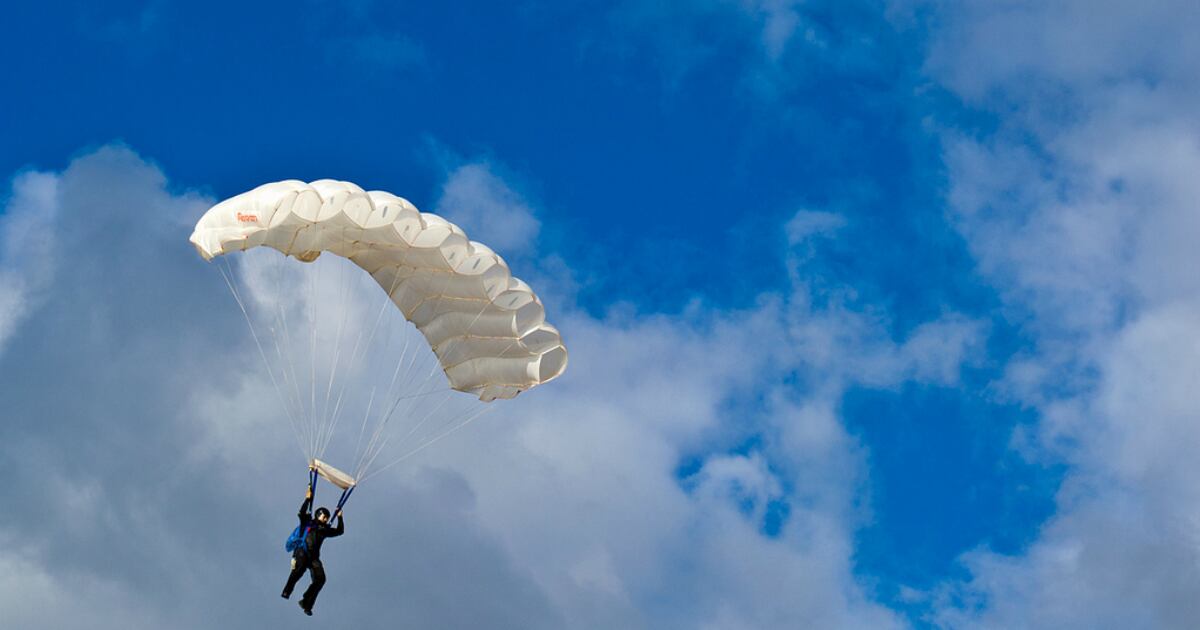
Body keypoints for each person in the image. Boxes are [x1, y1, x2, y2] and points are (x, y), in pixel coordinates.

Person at [281, 486, 345, 615]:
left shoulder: (325, 530)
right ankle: (287, 591)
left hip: (314, 557)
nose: (326, 519)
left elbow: (339, 531)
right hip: (302, 552)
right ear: (318, 515)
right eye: (324, 516)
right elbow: (302, 512)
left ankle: (306, 603)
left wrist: (339, 517)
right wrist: (307, 499)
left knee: (320, 579)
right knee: (298, 571)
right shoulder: (308, 522)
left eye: (327, 517)